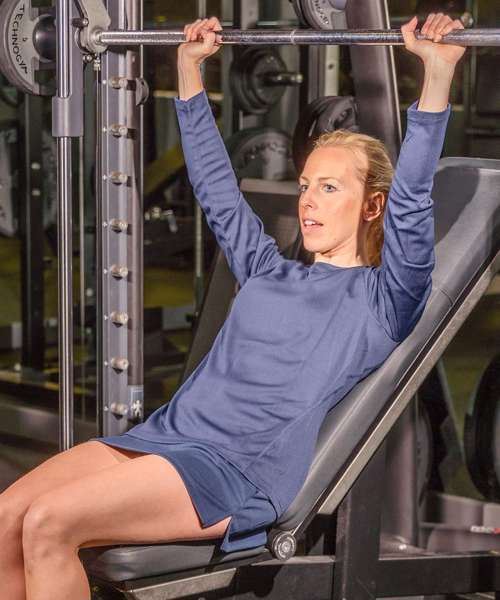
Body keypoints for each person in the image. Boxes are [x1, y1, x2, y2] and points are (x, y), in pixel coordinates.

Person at [0, 13, 465, 600]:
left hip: (231, 469)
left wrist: (437, 75)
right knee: (8, 515)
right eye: (304, 186)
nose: (308, 202)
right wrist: (189, 71)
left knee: (49, 522)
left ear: (372, 206)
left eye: (329, 188)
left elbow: (413, 199)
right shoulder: (269, 270)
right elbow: (217, 191)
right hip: (166, 436)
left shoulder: (384, 299)